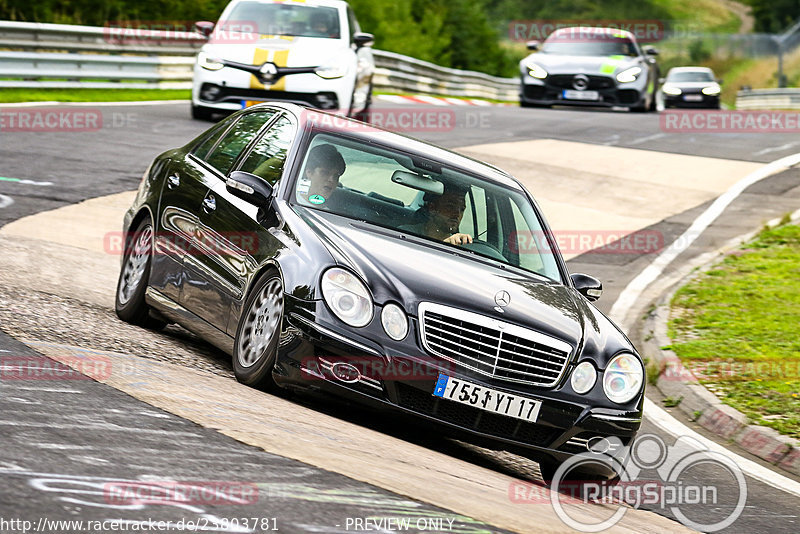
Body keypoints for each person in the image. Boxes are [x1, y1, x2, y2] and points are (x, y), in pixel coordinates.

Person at [401, 183, 473, 245]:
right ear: (432, 208)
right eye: (450, 207)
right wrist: (444, 245)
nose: (457, 214)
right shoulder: (405, 234)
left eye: (462, 209)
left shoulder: (460, 245)